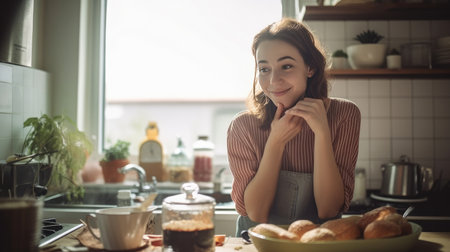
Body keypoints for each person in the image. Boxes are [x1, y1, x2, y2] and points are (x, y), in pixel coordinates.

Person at [227, 18, 361, 236]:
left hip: (319, 245)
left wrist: (322, 132)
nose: (273, 81)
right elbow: (256, 213)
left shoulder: (345, 115)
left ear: (310, 67)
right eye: (264, 69)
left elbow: (329, 209)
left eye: (286, 66)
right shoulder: (243, 126)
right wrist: (275, 142)